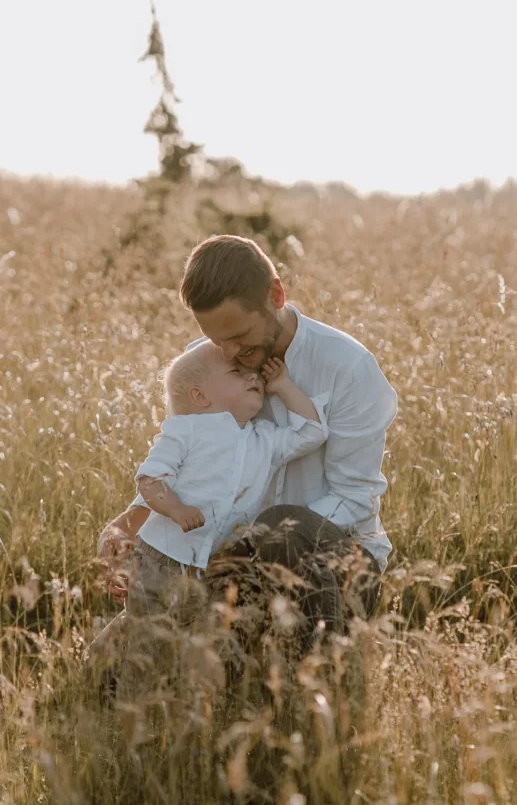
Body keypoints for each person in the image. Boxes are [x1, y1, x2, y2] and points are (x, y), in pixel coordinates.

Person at [97, 234, 398, 637]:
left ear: (276, 295)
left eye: (239, 336)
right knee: (112, 665)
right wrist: (128, 524)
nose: (231, 352)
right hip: (225, 559)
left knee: (280, 525)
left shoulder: (348, 368)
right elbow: (188, 456)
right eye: (217, 339)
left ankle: (316, 681)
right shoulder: (206, 361)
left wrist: (251, 543)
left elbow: (354, 499)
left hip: (335, 562)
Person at [126, 341, 328, 619]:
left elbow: (313, 432)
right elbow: (151, 479)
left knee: (197, 642)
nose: (254, 376)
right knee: (146, 635)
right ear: (200, 396)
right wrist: (176, 508)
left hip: (216, 566)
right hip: (160, 558)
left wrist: (283, 385)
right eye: (237, 372)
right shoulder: (185, 430)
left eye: (254, 372)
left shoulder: (264, 439)